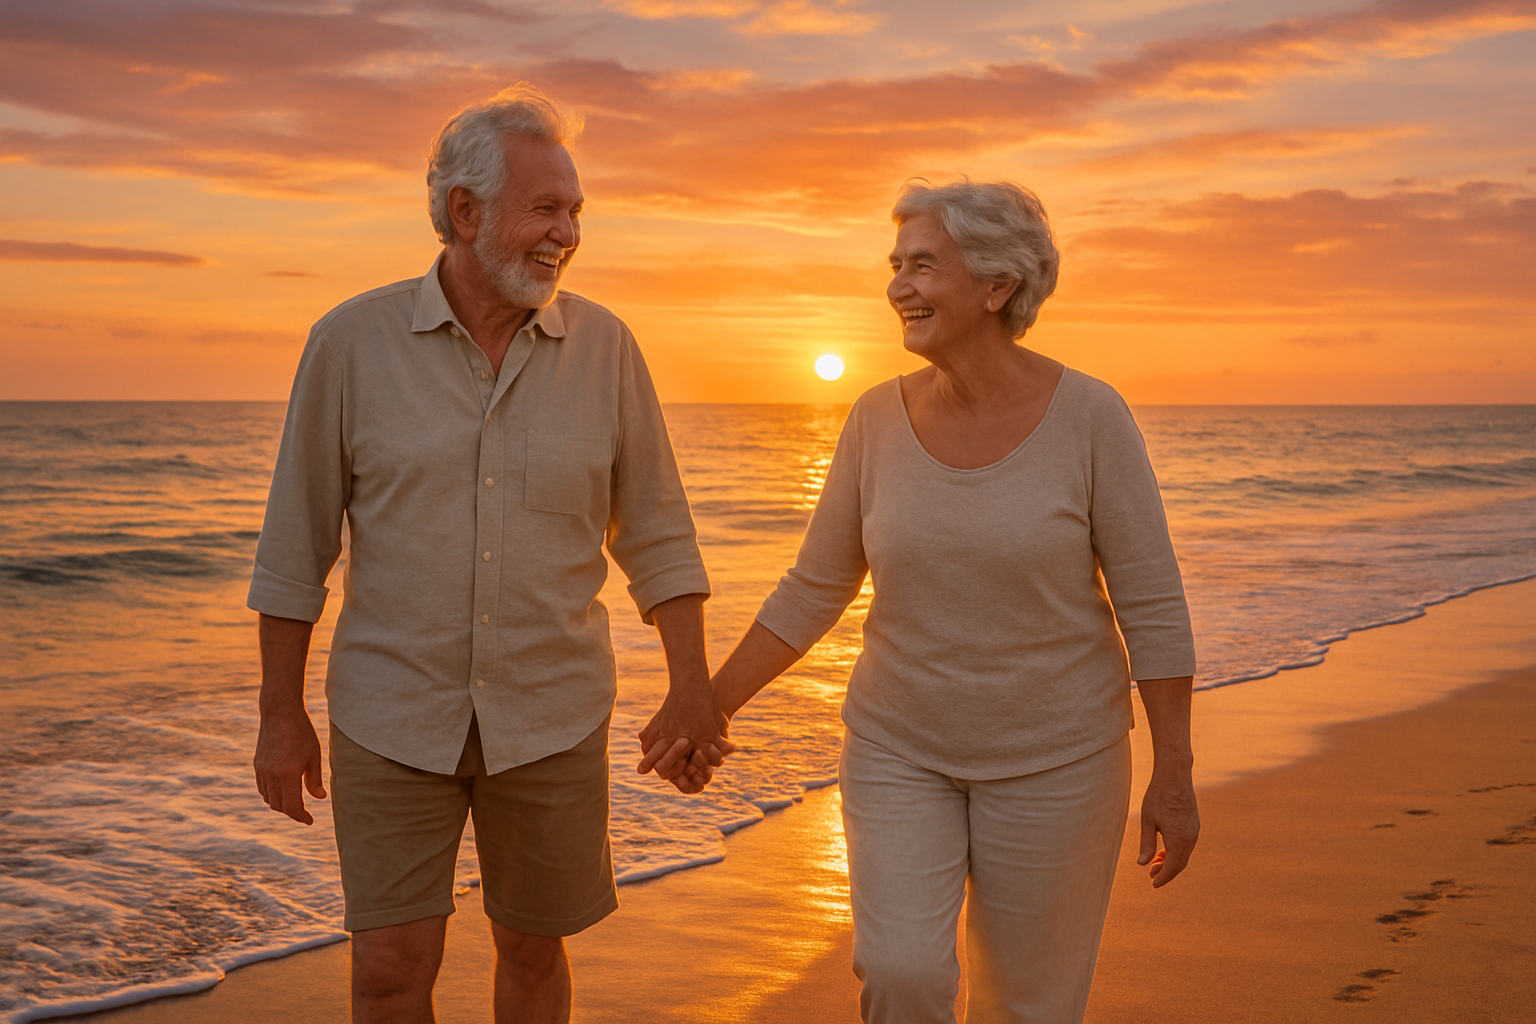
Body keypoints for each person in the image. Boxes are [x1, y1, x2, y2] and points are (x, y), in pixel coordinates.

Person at [248, 85, 730, 1024]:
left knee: (534, 950)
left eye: (576, 210)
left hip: (551, 713)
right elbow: (293, 550)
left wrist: (691, 686)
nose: (567, 233)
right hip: (392, 716)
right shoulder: (349, 345)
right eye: (545, 208)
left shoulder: (608, 349)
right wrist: (280, 715)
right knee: (389, 966)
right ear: (464, 213)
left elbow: (661, 536)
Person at [697, 180, 1199, 1023]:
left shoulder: (1091, 418)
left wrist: (1174, 775)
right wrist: (708, 706)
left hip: (1060, 760)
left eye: (922, 265)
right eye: (895, 265)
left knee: (1029, 1008)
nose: (898, 286)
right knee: (902, 975)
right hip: (901, 750)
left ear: (998, 286)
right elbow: (815, 586)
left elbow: (1152, 604)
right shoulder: (872, 421)